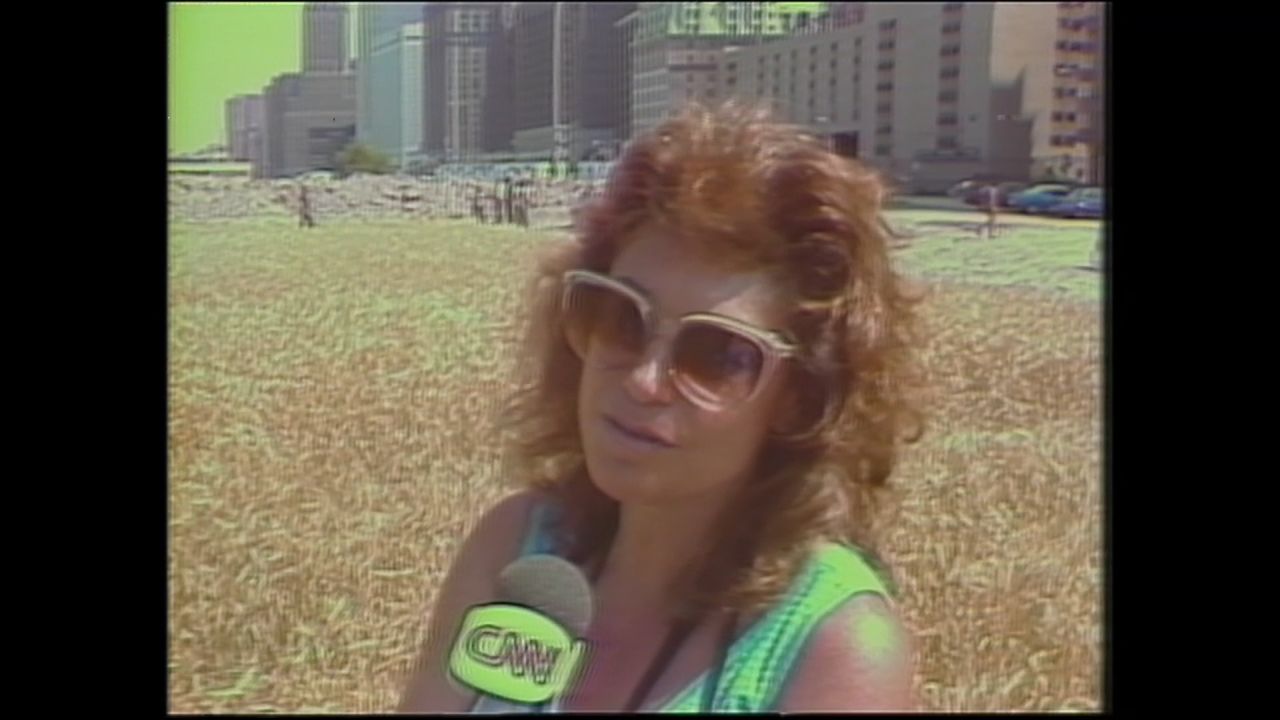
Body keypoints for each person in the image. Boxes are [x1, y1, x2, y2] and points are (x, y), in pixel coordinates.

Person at [398, 102, 924, 713]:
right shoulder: (515, 548)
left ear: (799, 398)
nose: (645, 380)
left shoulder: (834, 646)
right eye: (622, 318)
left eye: (717, 356)